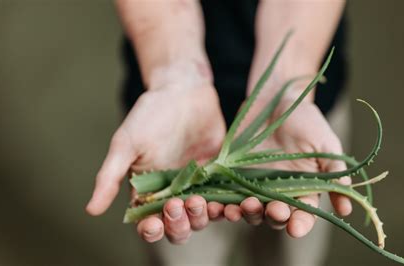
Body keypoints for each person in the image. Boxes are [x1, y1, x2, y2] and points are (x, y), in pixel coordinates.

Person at [86, 1, 350, 265]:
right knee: (178, 241)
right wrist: (174, 76)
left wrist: (287, 86)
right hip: (171, 126)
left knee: (289, 245)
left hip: (293, 121)